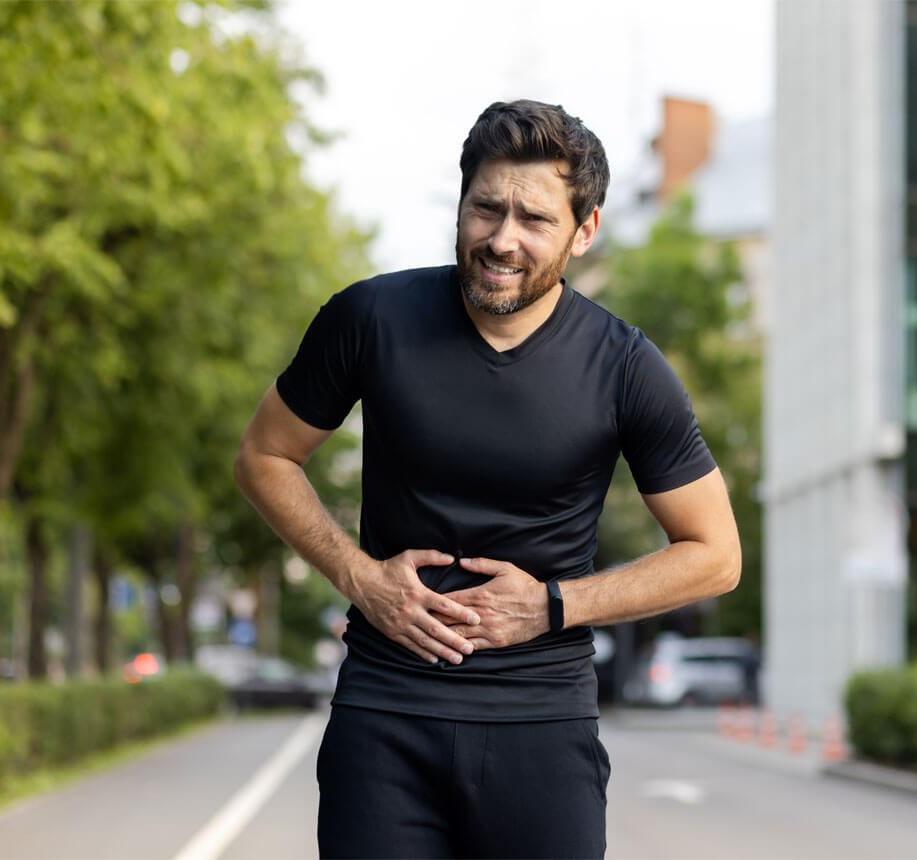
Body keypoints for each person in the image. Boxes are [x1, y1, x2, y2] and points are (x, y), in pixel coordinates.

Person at [234, 99, 741, 860]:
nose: (502, 240)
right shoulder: (371, 317)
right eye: (486, 209)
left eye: (534, 220)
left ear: (584, 231)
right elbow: (264, 456)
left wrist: (555, 604)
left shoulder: (627, 367)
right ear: (463, 201)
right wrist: (361, 578)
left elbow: (716, 554)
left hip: (542, 726)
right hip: (385, 715)